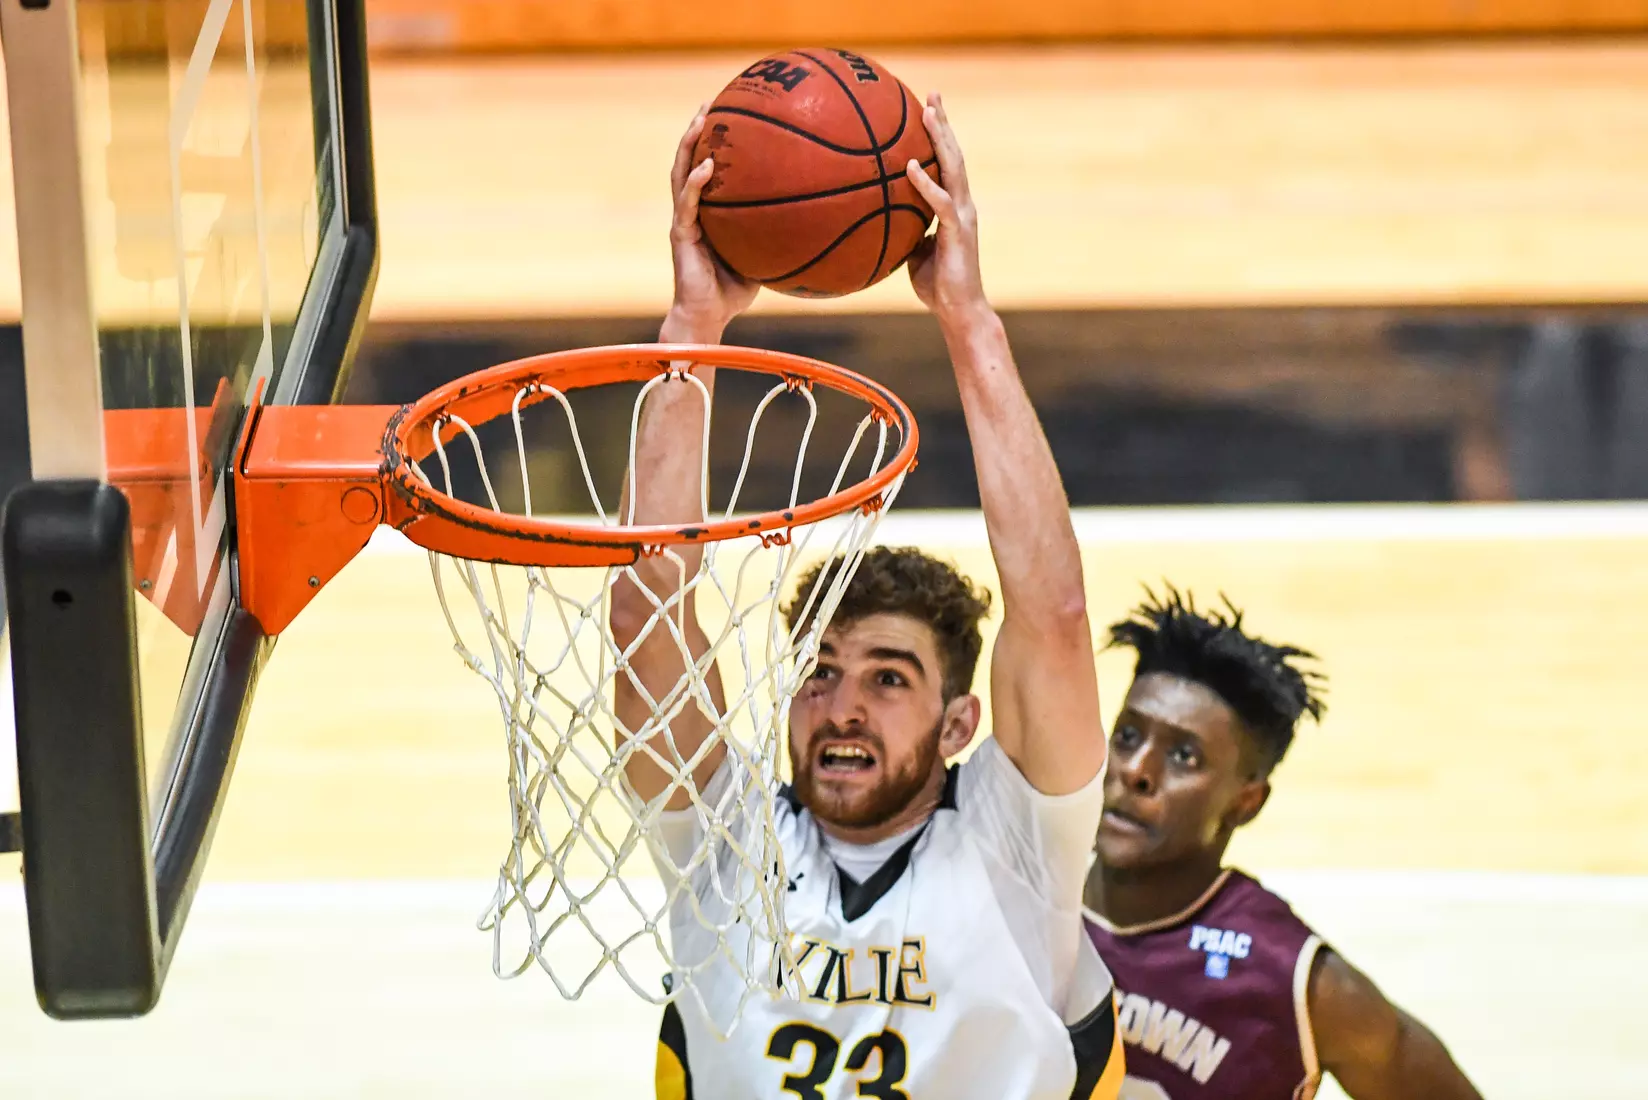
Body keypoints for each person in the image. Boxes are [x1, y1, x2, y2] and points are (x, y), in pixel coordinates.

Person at [609, 93, 1123, 1099]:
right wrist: (694, 323)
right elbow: (646, 614)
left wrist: (968, 319)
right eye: (820, 672)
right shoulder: (727, 848)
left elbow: (1053, 620)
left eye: (888, 678)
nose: (841, 703)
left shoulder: (1013, 842)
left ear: (958, 721)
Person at [1084, 589, 1484, 1100]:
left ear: (1246, 802)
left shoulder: (1295, 981)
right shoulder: (1019, 897)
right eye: (1128, 736)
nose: (1137, 771)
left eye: (1183, 756)